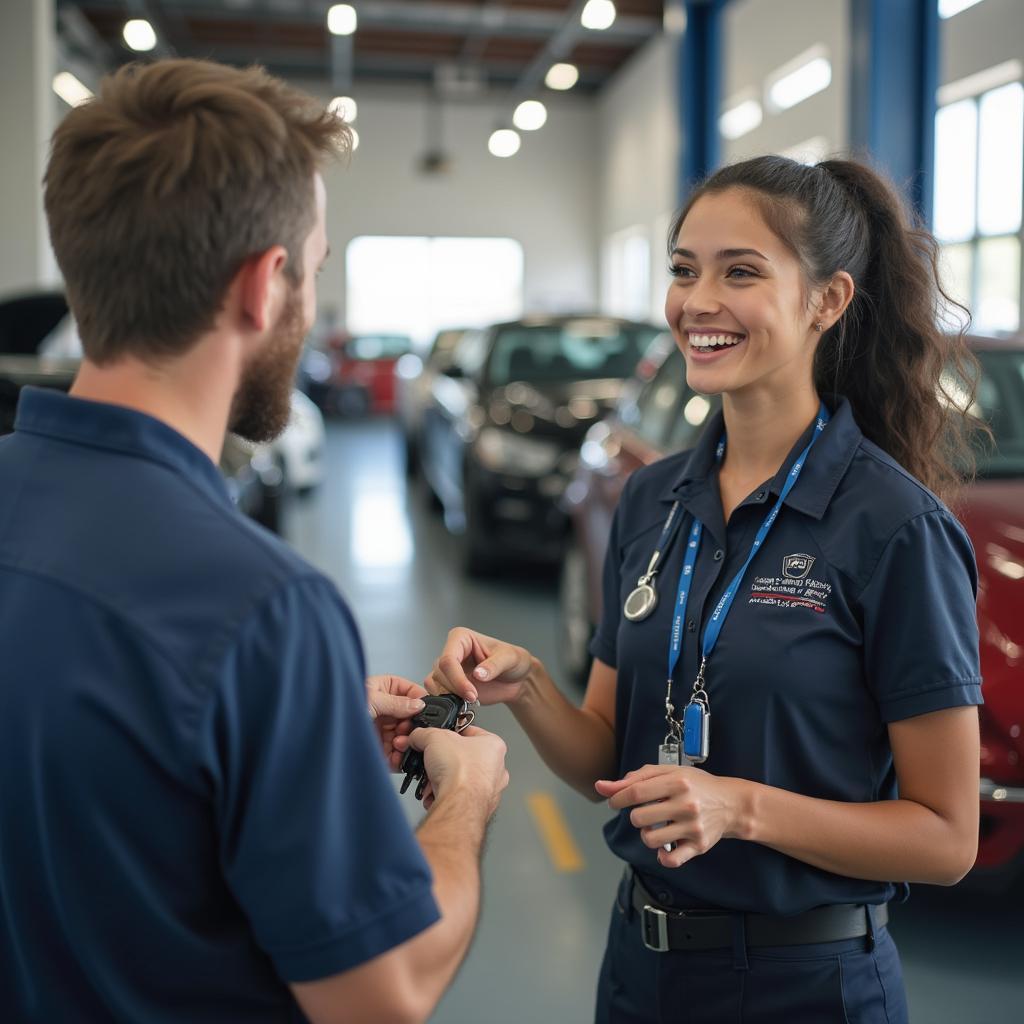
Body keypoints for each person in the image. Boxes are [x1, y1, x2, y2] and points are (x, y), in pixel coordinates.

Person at [0, 59, 508, 1024]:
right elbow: (382, 994)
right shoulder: (262, 610)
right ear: (263, 285)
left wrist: (286, 728)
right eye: (314, 269)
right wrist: (466, 795)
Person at [427, 155, 984, 1023]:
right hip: (641, 971)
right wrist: (529, 685)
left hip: (808, 986)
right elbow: (611, 758)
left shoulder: (894, 528)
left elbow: (947, 838)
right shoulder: (654, 499)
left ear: (827, 301)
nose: (697, 301)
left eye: (741, 271)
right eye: (684, 269)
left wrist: (741, 807)